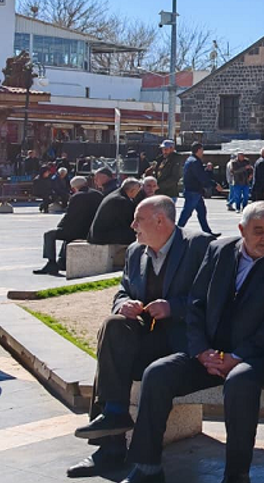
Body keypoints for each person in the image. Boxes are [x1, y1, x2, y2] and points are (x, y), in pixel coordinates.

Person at [119, 202, 264, 483]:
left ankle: (236, 475)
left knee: (239, 381)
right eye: (259, 231)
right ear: (242, 229)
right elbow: (196, 303)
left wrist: (238, 356)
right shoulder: (219, 250)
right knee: (158, 373)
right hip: (212, 352)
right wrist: (200, 351)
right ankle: (147, 467)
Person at [67, 197, 215, 478]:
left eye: (139, 219)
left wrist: (173, 307)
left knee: (132, 366)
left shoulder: (199, 245)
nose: (132, 225)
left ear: (160, 220)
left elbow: (213, 297)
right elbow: (123, 290)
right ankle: (112, 420)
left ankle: (118, 448)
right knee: (113, 327)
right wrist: (124, 304)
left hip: (184, 343)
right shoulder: (136, 251)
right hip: (146, 339)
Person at [34, 176, 102, 275]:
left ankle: (51, 264)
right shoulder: (98, 194)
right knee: (66, 234)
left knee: (49, 235)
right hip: (91, 230)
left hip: (79, 231)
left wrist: (60, 226)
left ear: (74, 187)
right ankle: (62, 261)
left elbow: (69, 216)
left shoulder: (77, 197)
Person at [177, 143, 219, 236]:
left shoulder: (190, 160)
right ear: (199, 150)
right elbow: (201, 177)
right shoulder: (195, 162)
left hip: (194, 191)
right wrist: (214, 184)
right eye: (202, 150)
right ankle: (176, 232)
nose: (203, 152)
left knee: (202, 211)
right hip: (193, 191)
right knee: (187, 213)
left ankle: (207, 232)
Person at [89, 178, 144, 245]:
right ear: (133, 190)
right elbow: (129, 223)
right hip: (102, 236)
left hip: (98, 234)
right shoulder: (121, 201)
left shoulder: (116, 195)